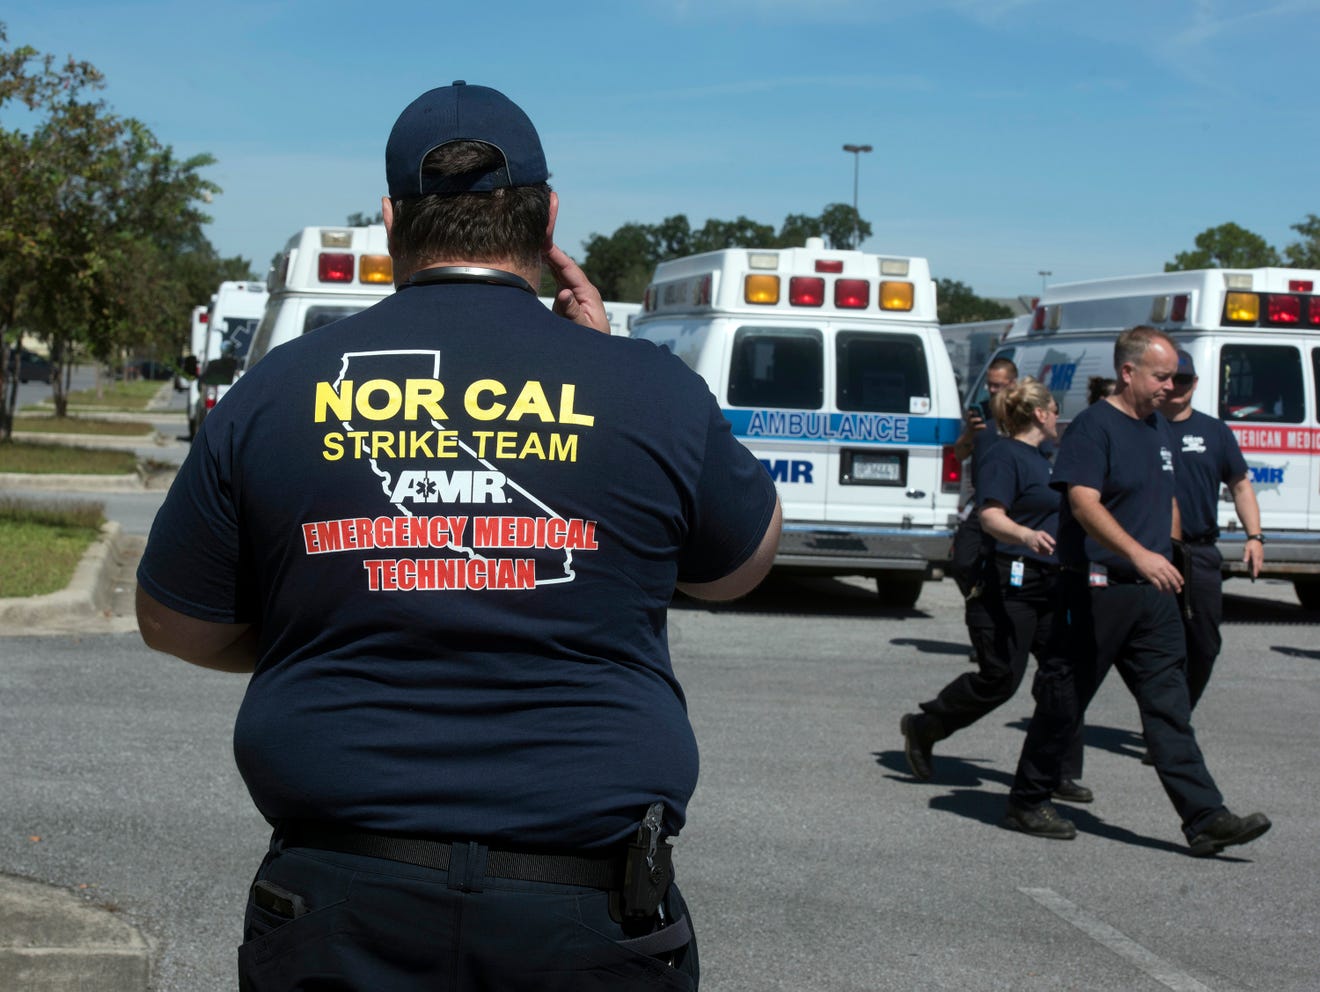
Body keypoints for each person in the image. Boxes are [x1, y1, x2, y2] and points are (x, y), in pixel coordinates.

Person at [136, 81, 782, 991]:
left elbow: (176, 623)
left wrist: (342, 620)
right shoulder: (648, 385)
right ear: (549, 214)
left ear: (391, 220)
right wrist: (613, 363)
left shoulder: (281, 388)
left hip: (341, 903)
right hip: (587, 916)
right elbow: (740, 567)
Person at [1003, 326, 1270, 857]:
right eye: (1161, 376)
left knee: (1169, 707)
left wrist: (1168, 554)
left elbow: (1162, 498)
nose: (1170, 386)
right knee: (1065, 700)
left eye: (1175, 377)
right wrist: (1138, 554)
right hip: (1096, 590)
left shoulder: (1156, 429)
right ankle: (1027, 799)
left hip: (1152, 595)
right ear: (1128, 372)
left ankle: (1205, 818)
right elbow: (1083, 503)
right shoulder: (1094, 428)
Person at [902, 379, 1090, 803]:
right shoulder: (1005, 455)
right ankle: (925, 725)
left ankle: (1054, 770)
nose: (1058, 416)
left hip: (1050, 583)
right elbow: (990, 516)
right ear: (1040, 414)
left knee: (1064, 675)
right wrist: (1025, 535)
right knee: (1000, 678)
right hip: (1009, 583)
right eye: (1055, 409)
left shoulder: (1046, 459)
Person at [1163, 349, 1264, 709]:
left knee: (1204, 644)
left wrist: (1254, 537)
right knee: (1158, 646)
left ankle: (1176, 715)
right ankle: (1165, 725)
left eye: (1184, 380)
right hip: (1151, 552)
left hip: (1199, 552)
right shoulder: (1143, 427)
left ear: (1195, 383)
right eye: (1169, 378)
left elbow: (1240, 485)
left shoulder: (1214, 431)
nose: (1176, 387)